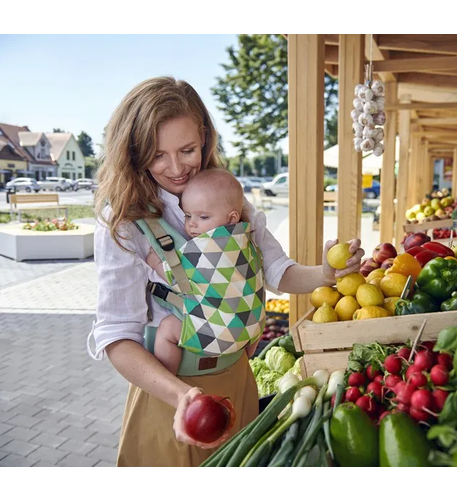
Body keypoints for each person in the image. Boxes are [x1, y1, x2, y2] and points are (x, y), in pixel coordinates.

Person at [87, 76, 363, 467]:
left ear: (204, 137)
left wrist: (324, 273)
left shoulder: (228, 198)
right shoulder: (124, 221)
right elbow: (116, 336)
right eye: (157, 154)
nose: (177, 168)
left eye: (187, 149)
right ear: (133, 152)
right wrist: (182, 397)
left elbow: (278, 272)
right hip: (171, 396)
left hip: (238, 380)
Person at [145, 168, 250, 376]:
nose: (192, 224)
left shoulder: (207, 248)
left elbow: (176, 275)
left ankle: (169, 376)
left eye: (203, 216)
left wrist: (155, 261)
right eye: (187, 215)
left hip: (217, 332)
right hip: (246, 325)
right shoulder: (245, 241)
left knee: (167, 330)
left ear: (231, 218)